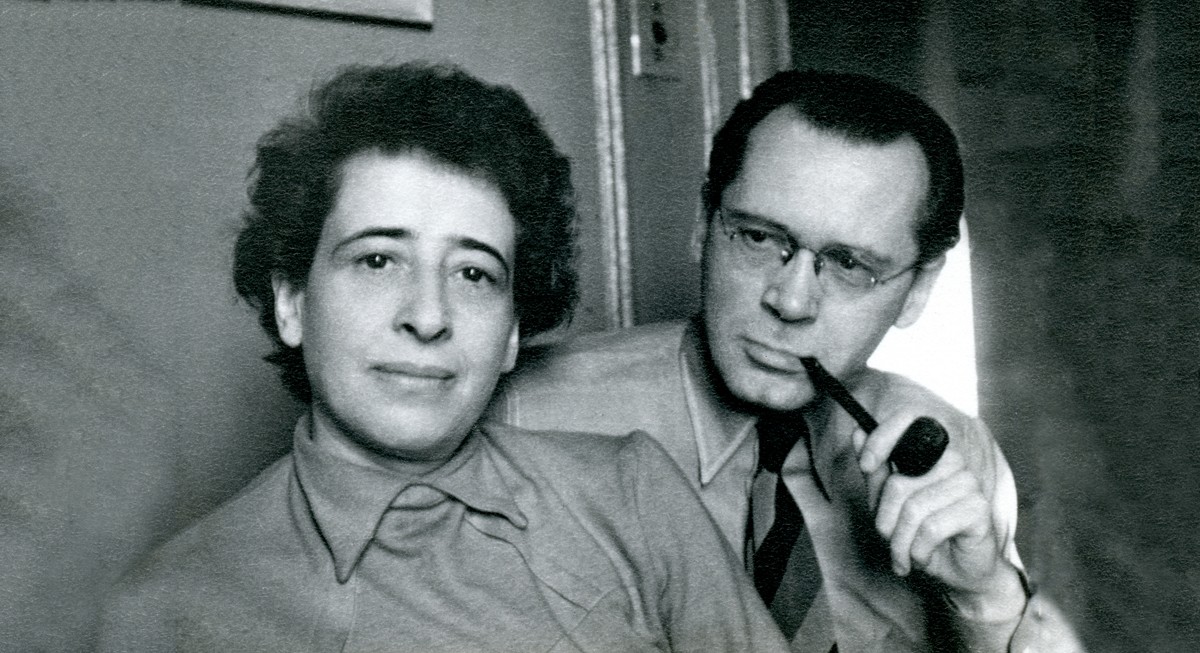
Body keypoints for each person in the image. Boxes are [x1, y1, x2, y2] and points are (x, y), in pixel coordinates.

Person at [98, 62, 792, 652]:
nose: (428, 316)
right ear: (291, 302)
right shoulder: (172, 611)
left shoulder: (631, 494)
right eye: (377, 260)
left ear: (512, 330)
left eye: (474, 274)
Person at [491, 70, 1084, 652]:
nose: (791, 303)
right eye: (757, 237)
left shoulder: (954, 452)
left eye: (850, 264)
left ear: (918, 289)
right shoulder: (522, 420)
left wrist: (984, 596)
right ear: (703, 224)